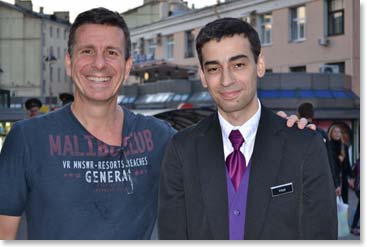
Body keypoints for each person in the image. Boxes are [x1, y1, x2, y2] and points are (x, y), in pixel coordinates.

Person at [0, 7, 176, 240]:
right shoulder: (27, 139)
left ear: (127, 66)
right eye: (87, 51)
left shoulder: (159, 138)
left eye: (112, 52)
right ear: (69, 62)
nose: (99, 64)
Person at [158, 18, 337, 240]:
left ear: (259, 65)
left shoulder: (304, 145)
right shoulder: (181, 149)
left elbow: (321, 236)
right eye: (214, 68)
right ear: (203, 76)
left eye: (238, 65)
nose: (226, 80)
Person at [297, 102, 340, 194]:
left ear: (299, 114)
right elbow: (329, 159)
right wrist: (335, 184)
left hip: (299, 179)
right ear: (313, 115)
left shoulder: (294, 131)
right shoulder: (320, 133)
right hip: (319, 179)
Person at [328, 125, 351, 204]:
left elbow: (347, 164)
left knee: (343, 203)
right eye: (335, 132)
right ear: (331, 133)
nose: (337, 134)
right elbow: (331, 165)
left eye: (339, 132)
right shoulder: (328, 146)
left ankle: (343, 217)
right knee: (332, 203)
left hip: (343, 180)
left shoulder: (344, 146)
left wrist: (351, 177)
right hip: (332, 179)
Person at [349, 157, 360, 236]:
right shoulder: (359, 161)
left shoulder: (358, 161)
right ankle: (353, 227)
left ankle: (354, 226)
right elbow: (354, 172)